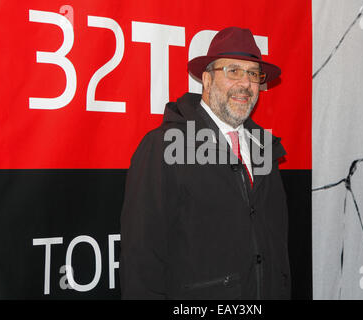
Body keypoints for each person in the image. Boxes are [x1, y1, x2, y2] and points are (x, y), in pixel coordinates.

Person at [119, 26, 291, 299]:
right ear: (207, 81)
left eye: (252, 74)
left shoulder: (265, 150)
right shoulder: (162, 146)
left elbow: (277, 251)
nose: (245, 84)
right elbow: (142, 260)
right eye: (233, 71)